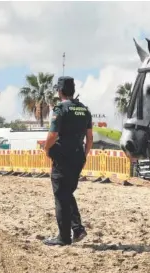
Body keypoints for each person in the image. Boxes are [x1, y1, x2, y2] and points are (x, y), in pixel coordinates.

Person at [42, 76, 93, 246]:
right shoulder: (84, 110)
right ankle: (77, 229)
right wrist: (84, 155)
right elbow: (90, 138)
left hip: (63, 156)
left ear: (60, 91)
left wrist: (47, 148)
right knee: (67, 192)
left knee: (61, 196)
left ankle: (64, 237)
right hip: (78, 155)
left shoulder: (60, 109)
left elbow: (53, 135)